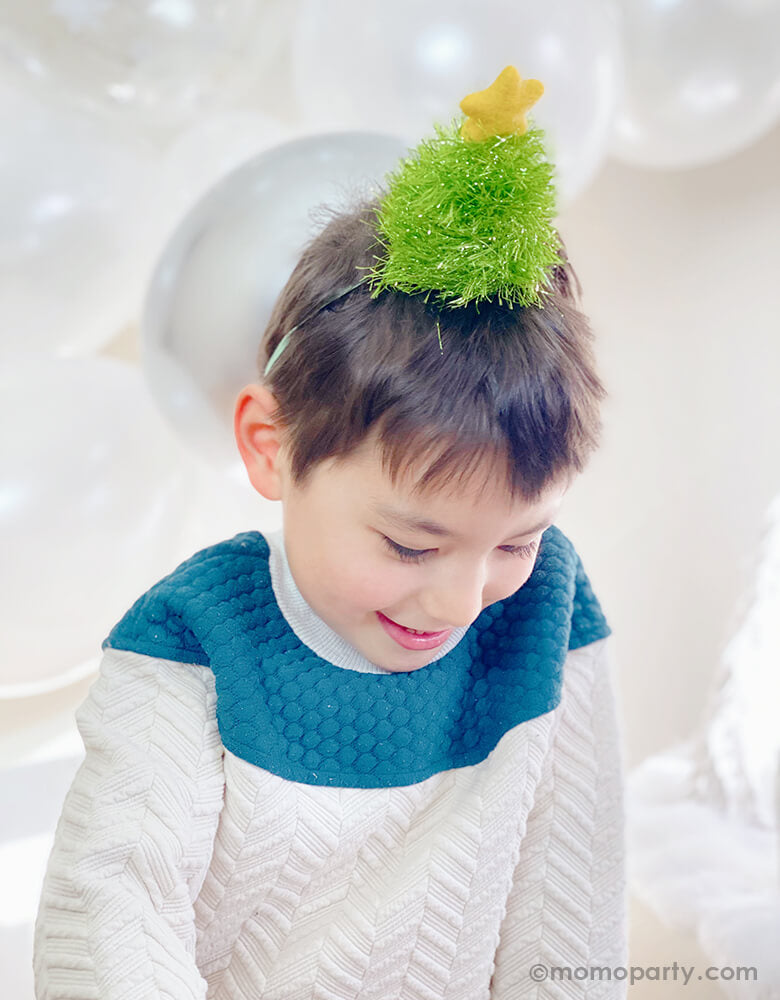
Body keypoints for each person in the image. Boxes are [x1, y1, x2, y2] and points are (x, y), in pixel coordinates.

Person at [34, 68, 627, 999]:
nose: (461, 601)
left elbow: (572, 919)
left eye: (514, 540)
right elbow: (112, 922)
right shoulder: (194, 637)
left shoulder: (547, 607)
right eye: (411, 547)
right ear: (273, 449)